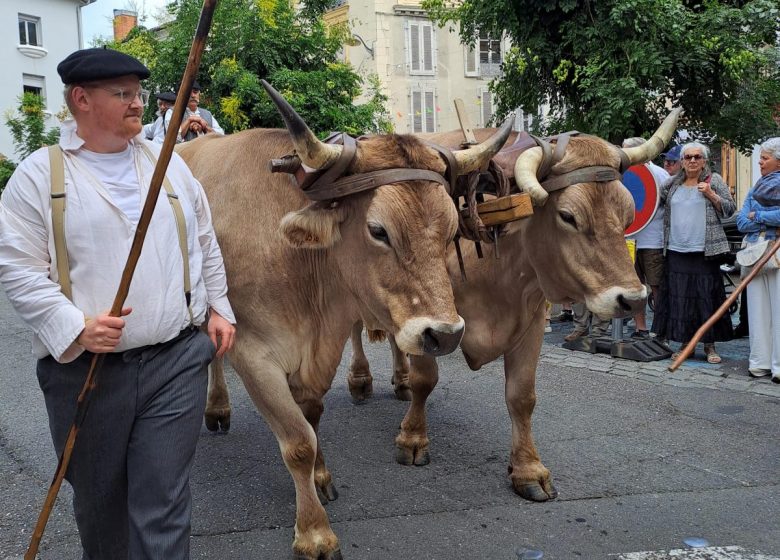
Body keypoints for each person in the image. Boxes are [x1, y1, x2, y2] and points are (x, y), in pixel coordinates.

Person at [0, 48, 236, 559]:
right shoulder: (41, 176)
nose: (138, 105)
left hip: (176, 360)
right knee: (101, 507)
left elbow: (202, 237)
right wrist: (74, 325)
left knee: (164, 503)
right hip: (87, 370)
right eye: (122, 94)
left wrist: (219, 306)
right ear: (81, 100)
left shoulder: (168, 163)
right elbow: (18, 268)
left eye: (139, 93)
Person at [652, 141, 735, 363]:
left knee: (706, 298)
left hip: (705, 251)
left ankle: (709, 346)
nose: (692, 161)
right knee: (680, 301)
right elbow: (652, 206)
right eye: (687, 157)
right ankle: (685, 345)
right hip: (676, 250)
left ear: (705, 161)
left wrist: (711, 195)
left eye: (697, 157)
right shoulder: (670, 184)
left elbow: (729, 209)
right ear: (681, 162)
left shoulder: (713, 180)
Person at [736, 137, 780, 382]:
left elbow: (753, 216)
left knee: (779, 308)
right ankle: (759, 362)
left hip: (777, 251)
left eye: (765, 158)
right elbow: (742, 221)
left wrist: (759, 214)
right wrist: (769, 217)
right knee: (756, 309)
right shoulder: (756, 187)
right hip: (754, 250)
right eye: (760, 158)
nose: (760, 163)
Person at [624, 137, 671, 339]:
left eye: (626, 150)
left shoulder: (660, 174)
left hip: (653, 239)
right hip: (629, 239)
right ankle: (640, 328)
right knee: (634, 287)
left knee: (657, 286)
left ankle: (660, 328)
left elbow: (668, 205)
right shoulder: (621, 174)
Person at [160, 79, 224, 143]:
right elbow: (172, 139)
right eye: (188, 93)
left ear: (199, 94)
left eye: (195, 92)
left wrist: (205, 127)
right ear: (181, 95)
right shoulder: (172, 112)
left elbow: (221, 137)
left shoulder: (207, 113)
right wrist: (190, 119)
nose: (193, 96)